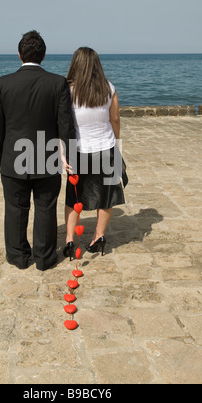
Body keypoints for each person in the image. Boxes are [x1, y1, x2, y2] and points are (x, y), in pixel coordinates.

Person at [0, 30, 75, 271]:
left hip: (13, 158)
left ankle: (17, 256)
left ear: (19, 54)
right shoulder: (57, 83)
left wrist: (1, 158)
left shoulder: (3, 83)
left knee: (15, 209)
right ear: (44, 55)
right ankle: (45, 257)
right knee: (46, 208)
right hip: (46, 156)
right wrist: (69, 156)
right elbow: (65, 125)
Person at [64, 47, 125, 259]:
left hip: (78, 151)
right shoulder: (109, 88)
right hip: (105, 148)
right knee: (105, 196)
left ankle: (70, 240)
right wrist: (117, 143)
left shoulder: (67, 90)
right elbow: (115, 119)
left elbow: (63, 122)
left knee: (74, 197)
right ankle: (99, 236)